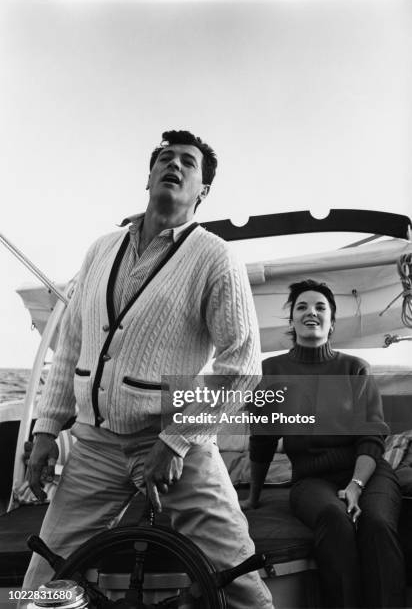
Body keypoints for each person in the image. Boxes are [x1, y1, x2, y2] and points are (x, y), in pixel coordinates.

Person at [23, 130, 274, 609]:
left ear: (203, 190)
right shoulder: (100, 248)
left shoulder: (215, 258)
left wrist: (176, 440)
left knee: (239, 578)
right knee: (44, 578)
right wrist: (44, 430)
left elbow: (242, 367)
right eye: (164, 157)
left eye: (187, 162)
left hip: (175, 444)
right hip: (95, 446)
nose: (173, 165)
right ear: (149, 175)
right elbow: (73, 343)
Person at [241, 279, 405, 608]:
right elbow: (263, 440)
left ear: (332, 321)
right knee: (333, 518)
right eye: (302, 307)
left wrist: (356, 484)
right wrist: (253, 497)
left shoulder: (354, 368)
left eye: (320, 307)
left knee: (376, 523)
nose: (311, 312)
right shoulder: (270, 370)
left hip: (367, 471)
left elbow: (371, 436)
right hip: (311, 479)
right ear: (292, 321)